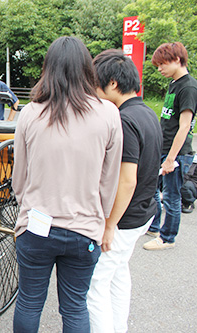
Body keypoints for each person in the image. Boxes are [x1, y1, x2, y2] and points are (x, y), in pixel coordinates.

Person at [12, 36, 123, 332]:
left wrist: (29, 205)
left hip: (36, 227)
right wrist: (102, 220)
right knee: (75, 307)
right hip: (84, 229)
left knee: (29, 302)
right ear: (88, 69)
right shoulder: (109, 114)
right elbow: (109, 180)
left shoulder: (31, 113)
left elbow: (19, 177)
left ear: (48, 68)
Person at [86, 49, 163, 333]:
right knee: (118, 275)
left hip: (124, 219)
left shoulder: (124, 121)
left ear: (113, 85)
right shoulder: (147, 113)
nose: (94, 92)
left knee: (95, 286)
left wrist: (109, 225)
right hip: (143, 215)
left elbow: (127, 180)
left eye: (96, 85)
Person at [143, 42, 197, 251]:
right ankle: (154, 226)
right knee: (151, 187)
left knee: (172, 195)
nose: (159, 69)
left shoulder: (189, 86)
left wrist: (170, 158)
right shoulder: (174, 83)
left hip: (176, 153)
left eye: (162, 64)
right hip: (162, 147)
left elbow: (184, 127)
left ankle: (167, 238)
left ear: (176, 59)